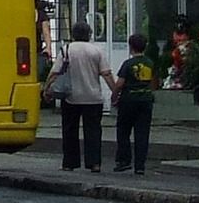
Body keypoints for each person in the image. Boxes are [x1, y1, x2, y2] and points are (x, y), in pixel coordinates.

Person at [54, 19, 115, 172]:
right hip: (93, 97)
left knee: (69, 130)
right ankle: (94, 163)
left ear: (73, 35)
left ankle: (69, 163)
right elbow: (106, 73)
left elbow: (55, 72)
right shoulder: (96, 51)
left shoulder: (66, 50)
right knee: (93, 131)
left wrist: (48, 89)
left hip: (71, 97)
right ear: (89, 34)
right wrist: (115, 91)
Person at [112, 32, 157, 174]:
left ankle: (124, 160)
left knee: (123, 131)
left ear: (131, 47)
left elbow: (119, 84)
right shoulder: (150, 63)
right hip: (145, 101)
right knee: (142, 133)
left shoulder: (128, 64)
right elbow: (154, 83)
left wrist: (114, 96)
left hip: (128, 101)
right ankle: (140, 166)